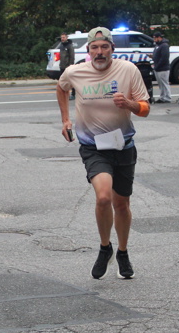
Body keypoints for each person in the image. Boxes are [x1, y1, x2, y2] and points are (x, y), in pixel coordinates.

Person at [56, 26, 151, 280]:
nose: (100, 52)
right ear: (88, 51)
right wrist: (65, 119)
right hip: (93, 147)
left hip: (123, 146)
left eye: (104, 47)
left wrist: (129, 104)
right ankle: (104, 247)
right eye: (95, 48)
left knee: (122, 204)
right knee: (103, 197)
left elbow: (145, 108)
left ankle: (122, 252)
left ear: (112, 49)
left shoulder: (128, 70)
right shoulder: (75, 72)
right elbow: (61, 87)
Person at [151, 31, 172, 103]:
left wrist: (158, 65)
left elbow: (164, 57)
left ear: (159, 37)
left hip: (163, 68)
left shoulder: (164, 45)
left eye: (155, 38)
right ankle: (162, 97)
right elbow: (157, 55)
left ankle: (167, 97)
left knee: (165, 83)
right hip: (157, 68)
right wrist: (153, 57)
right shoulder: (157, 45)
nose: (154, 40)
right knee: (161, 84)